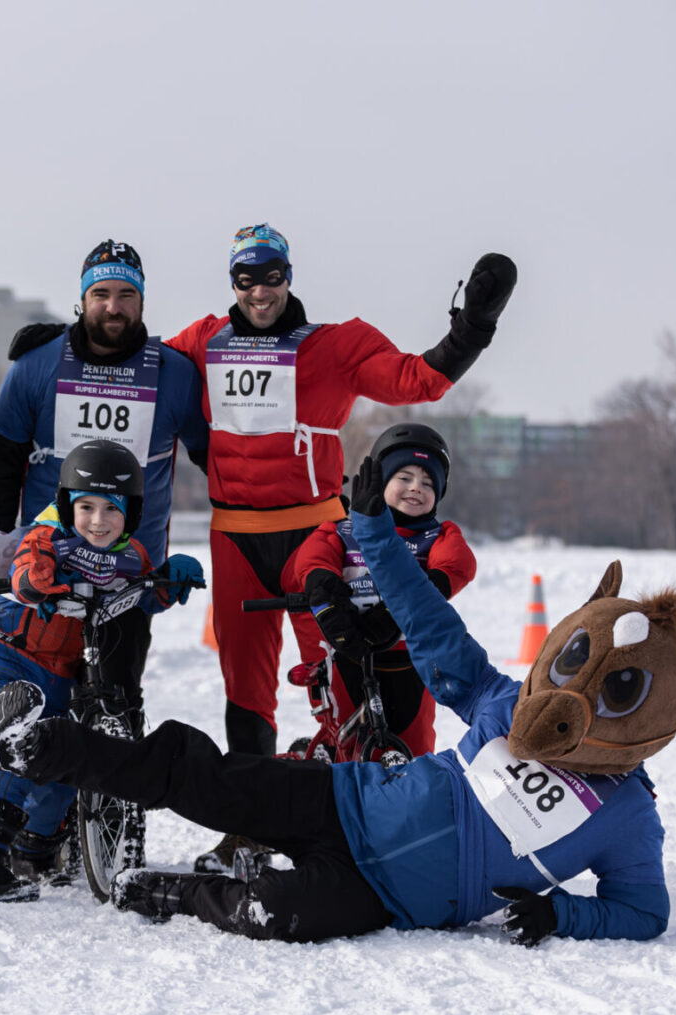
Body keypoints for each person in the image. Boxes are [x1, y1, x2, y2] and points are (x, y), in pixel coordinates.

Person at [0, 455, 676, 945]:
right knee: (195, 772)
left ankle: (179, 890)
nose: (569, 700)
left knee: (275, 913)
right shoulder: (503, 703)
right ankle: (38, 742)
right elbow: (433, 628)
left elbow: (643, 910)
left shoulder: (627, 812)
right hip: (343, 797)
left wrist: (565, 912)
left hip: (380, 894)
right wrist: (371, 531)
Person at [164, 223, 516, 870]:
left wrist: (474, 325)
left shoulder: (332, 346)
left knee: (343, 674)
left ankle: (363, 818)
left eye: (271, 275)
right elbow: (141, 370)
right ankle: (248, 825)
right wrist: (59, 348)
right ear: (232, 282)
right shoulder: (204, 340)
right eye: (246, 277)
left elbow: (420, 380)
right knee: (245, 689)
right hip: (236, 533)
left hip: (314, 534)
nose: (260, 290)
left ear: (289, 276)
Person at [0, 439, 204, 902]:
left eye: (112, 509)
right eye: (85, 507)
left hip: (61, 676)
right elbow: (29, 561)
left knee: (73, 752)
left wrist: (169, 581)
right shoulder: (49, 538)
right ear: (66, 506)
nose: (98, 521)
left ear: (132, 512)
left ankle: (38, 846)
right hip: (3, 653)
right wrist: (31, 579)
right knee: (24, 741)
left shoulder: (131, 557)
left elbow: (141, 594)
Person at [0, 239, 209, 721]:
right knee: (45, 716)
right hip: (49, 572)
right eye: (101, 294)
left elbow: (221, 459)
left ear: (142, 302)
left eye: (126, 295)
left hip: (130, 576)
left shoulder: (176, 374)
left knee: (115, 710)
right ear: (82, 300)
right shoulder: (36, 366)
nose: (113, 306)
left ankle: (113, 795)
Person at [283, 423, 476, 760]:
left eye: (428, 482)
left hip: (411, 661)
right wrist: (327, 599)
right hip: (349, 651)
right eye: (404, 477)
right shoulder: (342, 528)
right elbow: (312, 560)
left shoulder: (438, 536)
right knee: (346, 740)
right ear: (380, 481)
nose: (417, 488)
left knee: (414, 749)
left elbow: (456, 566)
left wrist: (396, 611)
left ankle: (409, 802)